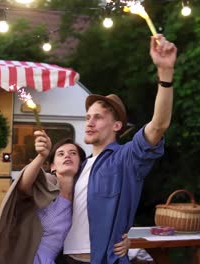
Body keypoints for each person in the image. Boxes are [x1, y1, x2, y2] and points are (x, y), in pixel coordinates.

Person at [62, 34, 177, 264]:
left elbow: (158, 126)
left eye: (98, 117)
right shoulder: (81, 165)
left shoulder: (125, 159)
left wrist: (165, 74)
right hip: (66, 258)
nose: (90, 122)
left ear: (116, 125)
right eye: (87, 117)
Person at [0, 132, 129, 264]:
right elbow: (22, 187)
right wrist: (41, 156)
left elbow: (104, 224)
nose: (67, 156)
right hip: (25, 257)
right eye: (60, 154)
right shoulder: (48, 182)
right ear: (53, 165)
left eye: (73, 153)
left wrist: (124, 241)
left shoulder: (85, 196)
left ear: (81, 164)